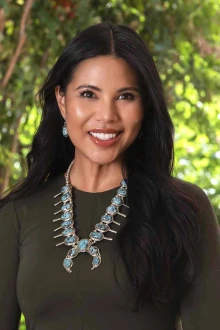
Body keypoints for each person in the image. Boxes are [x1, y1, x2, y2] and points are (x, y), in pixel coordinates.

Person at [0, 22, 219, 330]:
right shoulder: (17, 212)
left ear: (145, 107)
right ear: (62, 100)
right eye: (88, 94)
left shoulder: (185, 208)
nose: (107, 116)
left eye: (125, 96)